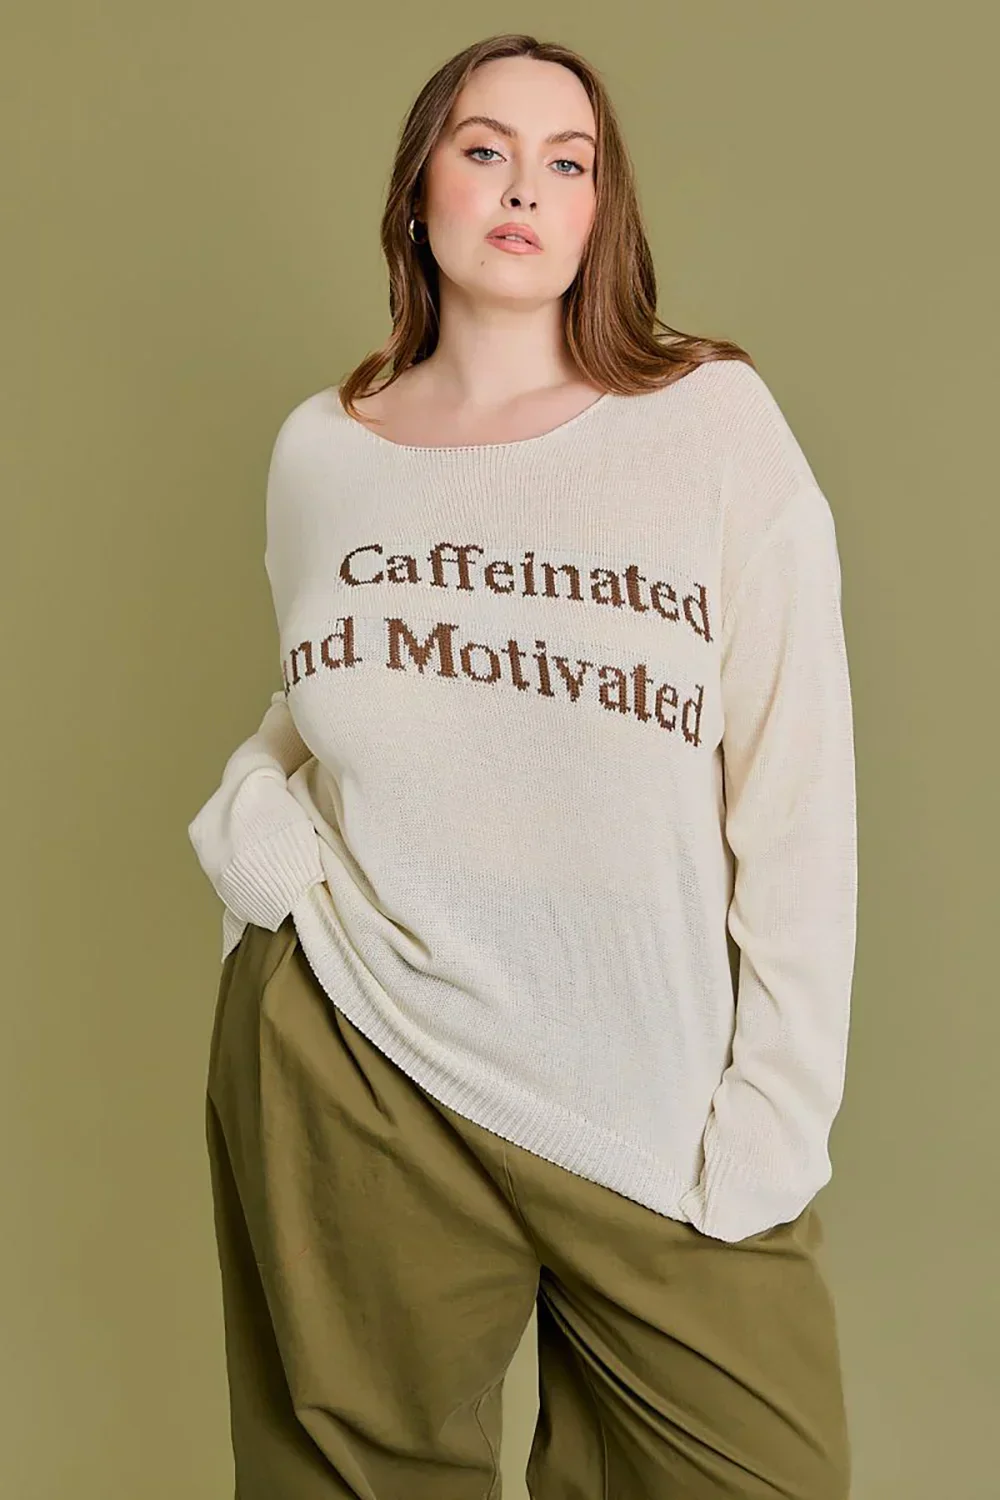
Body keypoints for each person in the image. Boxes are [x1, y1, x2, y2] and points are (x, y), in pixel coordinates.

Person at [188, 31, 856, 1500]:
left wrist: (777, 1108)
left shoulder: (712, 423)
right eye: (485, 148)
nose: (524, 187)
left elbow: (798, 783)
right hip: (363, 1048)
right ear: (419, 186)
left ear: (604, 210)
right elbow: (324, 695)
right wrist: (247, 816)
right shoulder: (324, 450)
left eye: (569, 161)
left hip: (645, 1093)